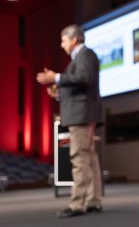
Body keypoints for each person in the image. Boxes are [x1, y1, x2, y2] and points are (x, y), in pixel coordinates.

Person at [36, 24, 103, 218]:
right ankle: (93, 200)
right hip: (83, 112)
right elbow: (79, 84)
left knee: (79, 157)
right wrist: (58, 92)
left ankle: (77, 203)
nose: (61, 44)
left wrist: (55, 77)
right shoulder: (80, 57)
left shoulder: (86, 55)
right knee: (88, 157)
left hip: (82, 114)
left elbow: (84, 78)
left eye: (63, 40)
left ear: (74, 39)